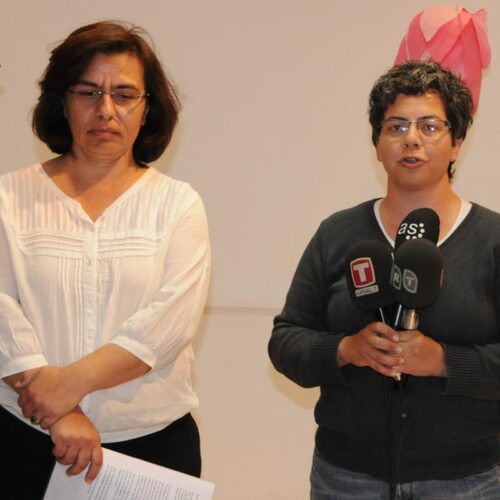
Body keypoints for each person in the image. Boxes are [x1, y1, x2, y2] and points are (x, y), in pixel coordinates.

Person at [268, 60, 500, 499]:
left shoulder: (491, 238)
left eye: (430, 126)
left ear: (457, 144)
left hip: (464, 481)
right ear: (377, 144)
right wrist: (346, 349)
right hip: (345, 477)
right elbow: (285, 342)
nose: (411, 138)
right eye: (396, 126)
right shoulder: (338, 233)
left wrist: (444, 361)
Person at [0, 21, 210, 499]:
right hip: (23, 438)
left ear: (147, 108)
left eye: (125, 94)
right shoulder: (8, 197)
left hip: (153, 445)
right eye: (88, 92)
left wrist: (67, 387)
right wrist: (60, 411)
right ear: (62, 101)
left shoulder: (177, 203)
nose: (106, 110)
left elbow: (167, 325)